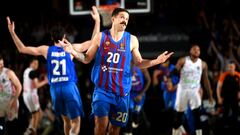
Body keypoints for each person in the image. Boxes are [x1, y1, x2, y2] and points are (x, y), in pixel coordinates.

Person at [61, 7, 173, 135]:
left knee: (115, 130)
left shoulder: (132, 40)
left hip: (122, 94)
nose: (125, 21)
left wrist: (156, 61)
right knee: (100, 127)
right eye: (122, 17)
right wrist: (73, 52)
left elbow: (139, 62)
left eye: (127, 19)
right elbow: (86, 59)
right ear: (113, 18)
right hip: (102, 91)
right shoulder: (100, 37)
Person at [7, 6, 100, 135]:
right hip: (69, 87)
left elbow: (22, 49)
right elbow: (93, 42)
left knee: (66, 121)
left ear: (51, 37)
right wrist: (97, 21)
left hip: (55, 90)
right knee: (76, 121)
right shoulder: (71, 48)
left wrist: (12, 32)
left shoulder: (45, 50)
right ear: (64, 36)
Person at [171, 44, 214, 135]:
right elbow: (175, 71)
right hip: (183, 90)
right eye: (194, 49)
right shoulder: (183, 60)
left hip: (195, 90)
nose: (197, 51)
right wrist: (175, 70)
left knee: (197, 115)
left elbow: (206, 81)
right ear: (190, 51)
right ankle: (174, 133)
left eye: (198, 50)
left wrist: (210, 95)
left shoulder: (203, 64)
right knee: (179, 116)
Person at [23, 58, 48, 135]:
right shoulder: (33, 72)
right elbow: (36, 85)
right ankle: (33, 131)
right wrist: (45, 81)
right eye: (35, 63)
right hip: (32, 95)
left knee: (37, 113)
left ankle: (29, 130)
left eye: (37, 63)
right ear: (31, 63)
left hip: (25, 94)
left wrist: (41, 78)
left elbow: (31, 82)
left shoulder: (26, 71)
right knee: (36, 114)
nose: (36, 65)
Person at [123, 64, 151, 135]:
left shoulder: (142, 67)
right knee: (129, 110)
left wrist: (141, 94)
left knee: (136, 114)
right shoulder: (125, 66)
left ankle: (137, 122)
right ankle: (128, 131)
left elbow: (148, 81)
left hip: (139, 93)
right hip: (130, 93)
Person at [0, 54, 22, 135]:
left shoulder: (9, 73)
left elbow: (19, 86)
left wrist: (14, 100)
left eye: (2, 64)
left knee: (12, 126)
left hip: (11, 101)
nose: (1, 66)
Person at [216, 60, 240, 127]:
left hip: (235, 98)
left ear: (234, 67)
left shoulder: (238, 75)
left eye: (231, 67)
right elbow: (218, 87)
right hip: (226, 97)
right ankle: (225, 126)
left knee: (235, 113)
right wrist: (219, 98)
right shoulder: (224, 75)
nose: (230, 68)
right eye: (229, 67)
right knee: (225, 113)